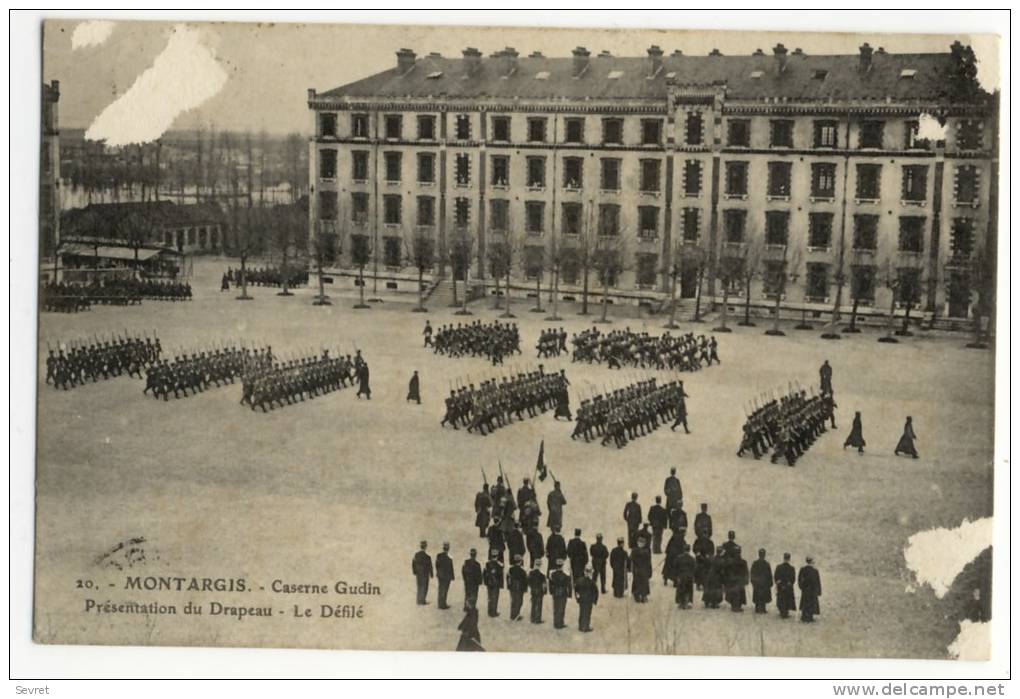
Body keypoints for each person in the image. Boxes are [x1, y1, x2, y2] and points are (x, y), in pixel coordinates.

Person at [549, 559, 573, 630]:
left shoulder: (553, 574)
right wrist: (569, 595)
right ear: (562, 566)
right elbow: (569, 585)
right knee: (561, 608)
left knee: (556, 607)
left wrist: (551, 592)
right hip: (563, 593)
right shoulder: (565, 575)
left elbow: (550, 584)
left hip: (555, 593)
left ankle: (556, 622)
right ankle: (560, 623)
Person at [574, 566, 599, 632]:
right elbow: (596, 592)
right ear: (591, 573)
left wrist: (578, 599)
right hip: (589, 601)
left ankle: (580, 626)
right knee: (587, 613)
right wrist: (595, 600)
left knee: (581, 612)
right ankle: (586, 627)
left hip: (582, 600)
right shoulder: (592, 582)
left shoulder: (579, 580)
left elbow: (576, 590)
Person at [725, 546, 749, 612]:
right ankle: (737, 606)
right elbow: (746, 572)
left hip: (733, 580)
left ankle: (735, 606)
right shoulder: (743, 562)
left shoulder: (731, 562)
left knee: (734, 594)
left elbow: (727, 572)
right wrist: (746, 580)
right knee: (739, 594)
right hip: (739, 581)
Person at [798, 556, 822, 622]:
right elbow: (817, 582)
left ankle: (804, 616)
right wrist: (818, 591)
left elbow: (799, 579)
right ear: (811, 562)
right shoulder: (815, 571)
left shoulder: (802, 569)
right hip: (812, 590)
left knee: (804, 602)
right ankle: (810, 617)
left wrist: (801, 587)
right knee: (811, 603)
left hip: (805, 590)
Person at [750, 548, 774, 614]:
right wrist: (770, 583)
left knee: (758, 595)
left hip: (757, 583)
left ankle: (757, 608)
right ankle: (763, 608)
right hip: (764, 583)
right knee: (763, 596)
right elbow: (769, 575)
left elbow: (752, 573)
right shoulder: (766, 564)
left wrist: (753, 581)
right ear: (764, 555)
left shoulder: (755, 563)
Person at [774, 552, 797, 619]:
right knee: (787, 599)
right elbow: (793, 578)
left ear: (783, 558)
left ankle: (782, 611)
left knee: (781, 598)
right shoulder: (792, 568)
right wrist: (789, 583)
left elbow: (776, 576)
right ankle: (786, 611)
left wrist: (778, 582)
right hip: (788, 587)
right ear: (789, 559)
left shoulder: (779, 567)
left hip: (781, 586)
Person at [673, 545, 697, 609]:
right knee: (689, 589)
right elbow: (694, 568)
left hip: (681, 576)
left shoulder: (679, 558)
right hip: (689, 576)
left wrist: (676, 576)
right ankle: (689, 602)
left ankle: (681, 602)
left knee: (681, 589)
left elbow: (675, 567)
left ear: (683, 550)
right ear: (689, 550)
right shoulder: (692, 559)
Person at [483, 551, 505, 618]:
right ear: (497, 556)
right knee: (495, 598)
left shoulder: (487, 563)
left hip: (489, 583)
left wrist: (486, 582)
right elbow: (501, 574)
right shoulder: (499, 565)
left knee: (490, 597)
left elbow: (484, 573)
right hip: (496, 584)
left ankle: (489, 611)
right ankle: (494, 612)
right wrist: (501, 585)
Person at [630, 536, 652, 603]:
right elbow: (631, 560)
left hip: (644, 570)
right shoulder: (635, 550)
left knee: (644, 583)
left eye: (642, 542)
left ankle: (643, 596)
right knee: (637, 582)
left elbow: (649, 562)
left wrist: (650, 570)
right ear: (637, 543)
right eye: (640, 542)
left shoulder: (647, 550)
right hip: (637, 570)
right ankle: (637, 595)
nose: (641, 544)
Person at [507, 555, 528, 621]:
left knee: (513, 600)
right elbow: (525, 581)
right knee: (519, 601)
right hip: (520, 588)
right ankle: (516, 615)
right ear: (520, 561)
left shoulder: (511, 569)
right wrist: (525, 589)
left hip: (512, 587)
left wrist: (509, 586)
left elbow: (508, 577)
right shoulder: (522, 571)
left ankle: (512, 615)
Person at [412, 541, 433, 606]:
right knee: (425, 587)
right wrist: (431, 574)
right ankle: (422, 600)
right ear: (425, 547)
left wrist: (415, 571)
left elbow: (413, 563)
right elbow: (430, 566)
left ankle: (418, 600)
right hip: (425, 574)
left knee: (419, 586)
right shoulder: (427, 557)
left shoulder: (416, 555)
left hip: (418, 574)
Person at [436, 542, 455, 610]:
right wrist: (452, 576)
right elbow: (451, 568)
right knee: (445, 590)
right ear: (448, 549)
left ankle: (440, 603)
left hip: (440, 575)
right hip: (446, 576)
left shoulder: (439, 555)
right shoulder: (449, 558)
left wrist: (438, 572)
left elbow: (437, 565)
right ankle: (443, 604)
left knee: (440, 589)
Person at [528, 559, 547, 624]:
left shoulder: (531, 573)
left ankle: (532, 618)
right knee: (539, 605)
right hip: (539, 591)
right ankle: (537, 619)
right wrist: (544, 592)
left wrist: (532, 588)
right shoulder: (542, 575)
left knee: (533, 604)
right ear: (540, 565)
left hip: (533, 590)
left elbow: (528, 582)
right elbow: (544, 585)